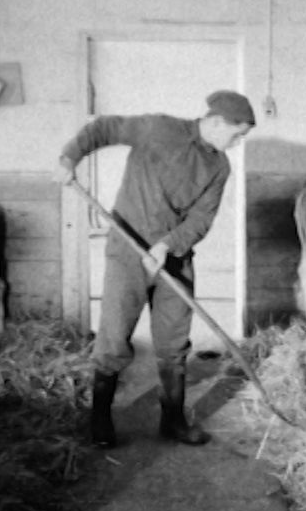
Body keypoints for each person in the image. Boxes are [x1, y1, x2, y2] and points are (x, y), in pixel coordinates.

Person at [55, 90, 256, 449]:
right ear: (214, 122)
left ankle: (173, 420)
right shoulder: (158, 128)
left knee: (174, 341)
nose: (237, 143)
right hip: (128, 249)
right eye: (236, 134)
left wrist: (168, 246)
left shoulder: (219, 167)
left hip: (174, 258)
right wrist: (70, 157)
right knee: (115, 335)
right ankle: (100, 418)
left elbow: (200, 220)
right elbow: (103, 129)